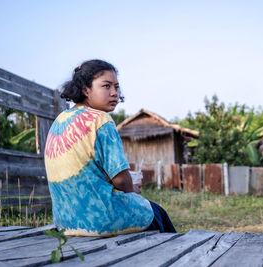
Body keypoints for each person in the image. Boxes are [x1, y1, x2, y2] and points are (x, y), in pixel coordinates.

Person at [44, 59, 176, 236]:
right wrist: (132, 192)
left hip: (66, 221)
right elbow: (120, 179)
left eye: (116, 87)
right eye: (106, 86)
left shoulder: (59, 121)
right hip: (101, 219)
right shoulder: (101, 120)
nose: (114, 93)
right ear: (85, 89)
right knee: (156, 212)